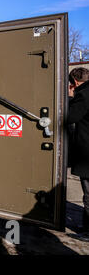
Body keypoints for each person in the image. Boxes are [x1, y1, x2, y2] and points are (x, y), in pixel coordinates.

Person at [68, 67, 89, 242]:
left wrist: (69, 98)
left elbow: (71, 117)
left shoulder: (83, 94)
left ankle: (88, 232)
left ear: (74, 82)